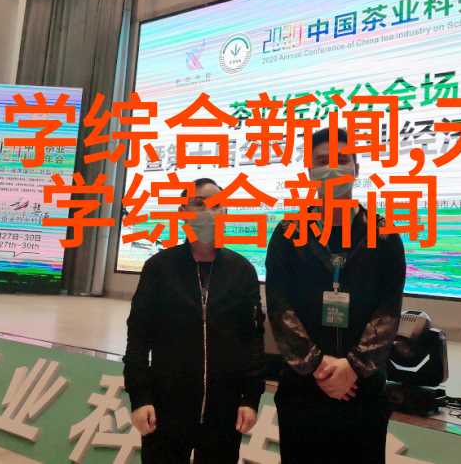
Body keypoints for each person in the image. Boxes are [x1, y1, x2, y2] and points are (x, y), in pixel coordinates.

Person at [265, 127, 406, 464]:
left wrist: (353, 366)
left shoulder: (384, 236)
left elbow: (388, 310)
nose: (332, 168)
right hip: (302, 389)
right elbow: (279, 308)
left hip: (362, 390)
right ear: (309, 170)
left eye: (341, 160)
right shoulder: (288, 234)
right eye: (322, 161)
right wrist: (317, 364)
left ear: (356, 168)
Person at [124, 177, 266, 464]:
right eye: (199, 204)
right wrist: (139, 397)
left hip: (224, 412)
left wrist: (251, 399)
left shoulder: (242, 271)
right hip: (165, 410)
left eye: (217, 205)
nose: (209, 212)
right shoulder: (159, 268)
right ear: (182, 212)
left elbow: (253, 340)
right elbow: (138, 336)